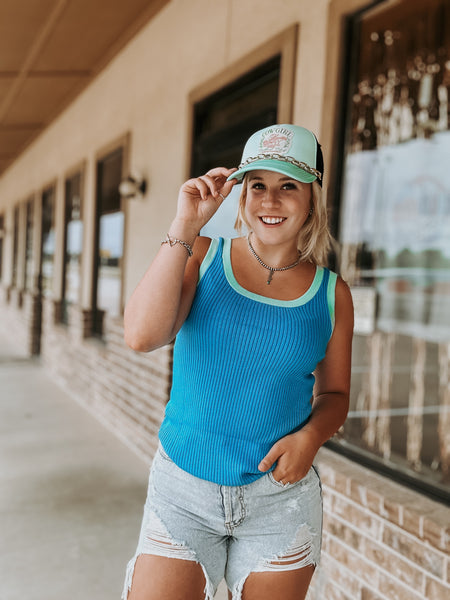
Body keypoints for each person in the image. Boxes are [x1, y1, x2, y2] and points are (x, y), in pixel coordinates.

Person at [121, 124, 354, 600]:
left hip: (280, 498)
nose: (270, 200)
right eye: (258, 185)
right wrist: (187, 223)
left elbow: (334, 395)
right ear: (240, 193)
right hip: (183, 487)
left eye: (288, 185)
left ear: (312, 197)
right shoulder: (203, 254)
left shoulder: (333, 295)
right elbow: (142, 336)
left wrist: (310, 437)